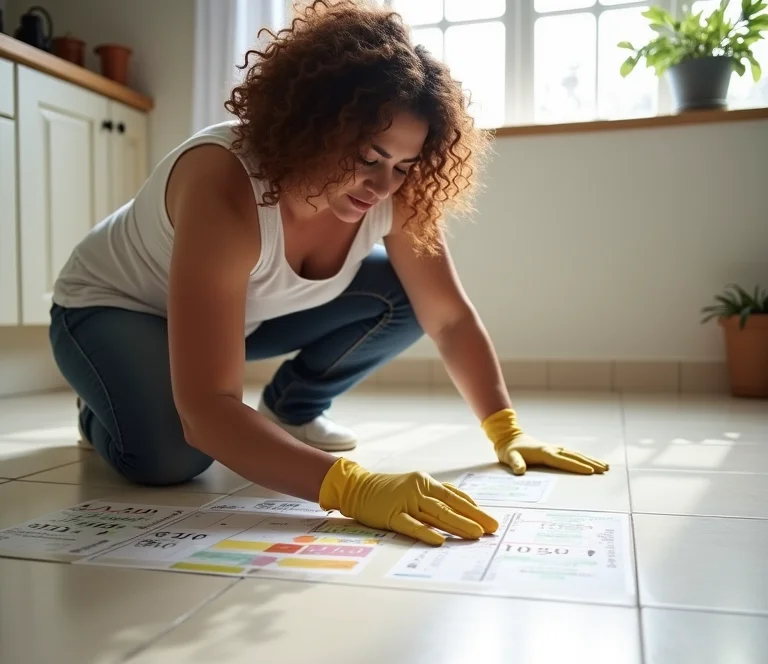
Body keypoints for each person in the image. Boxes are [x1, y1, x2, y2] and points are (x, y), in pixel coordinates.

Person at [48, 0, 608, 547]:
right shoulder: (226, 182)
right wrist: (349, 487)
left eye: (404, 165)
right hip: (112, 309)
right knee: (176, 455)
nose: (384, 185)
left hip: (242, 315)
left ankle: (292, 408)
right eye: (369, 156)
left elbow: (449, 318)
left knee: (404, 294)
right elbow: (208, 410)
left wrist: (504, 426)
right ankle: (103, 402)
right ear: (315, 126)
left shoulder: (395, 192)